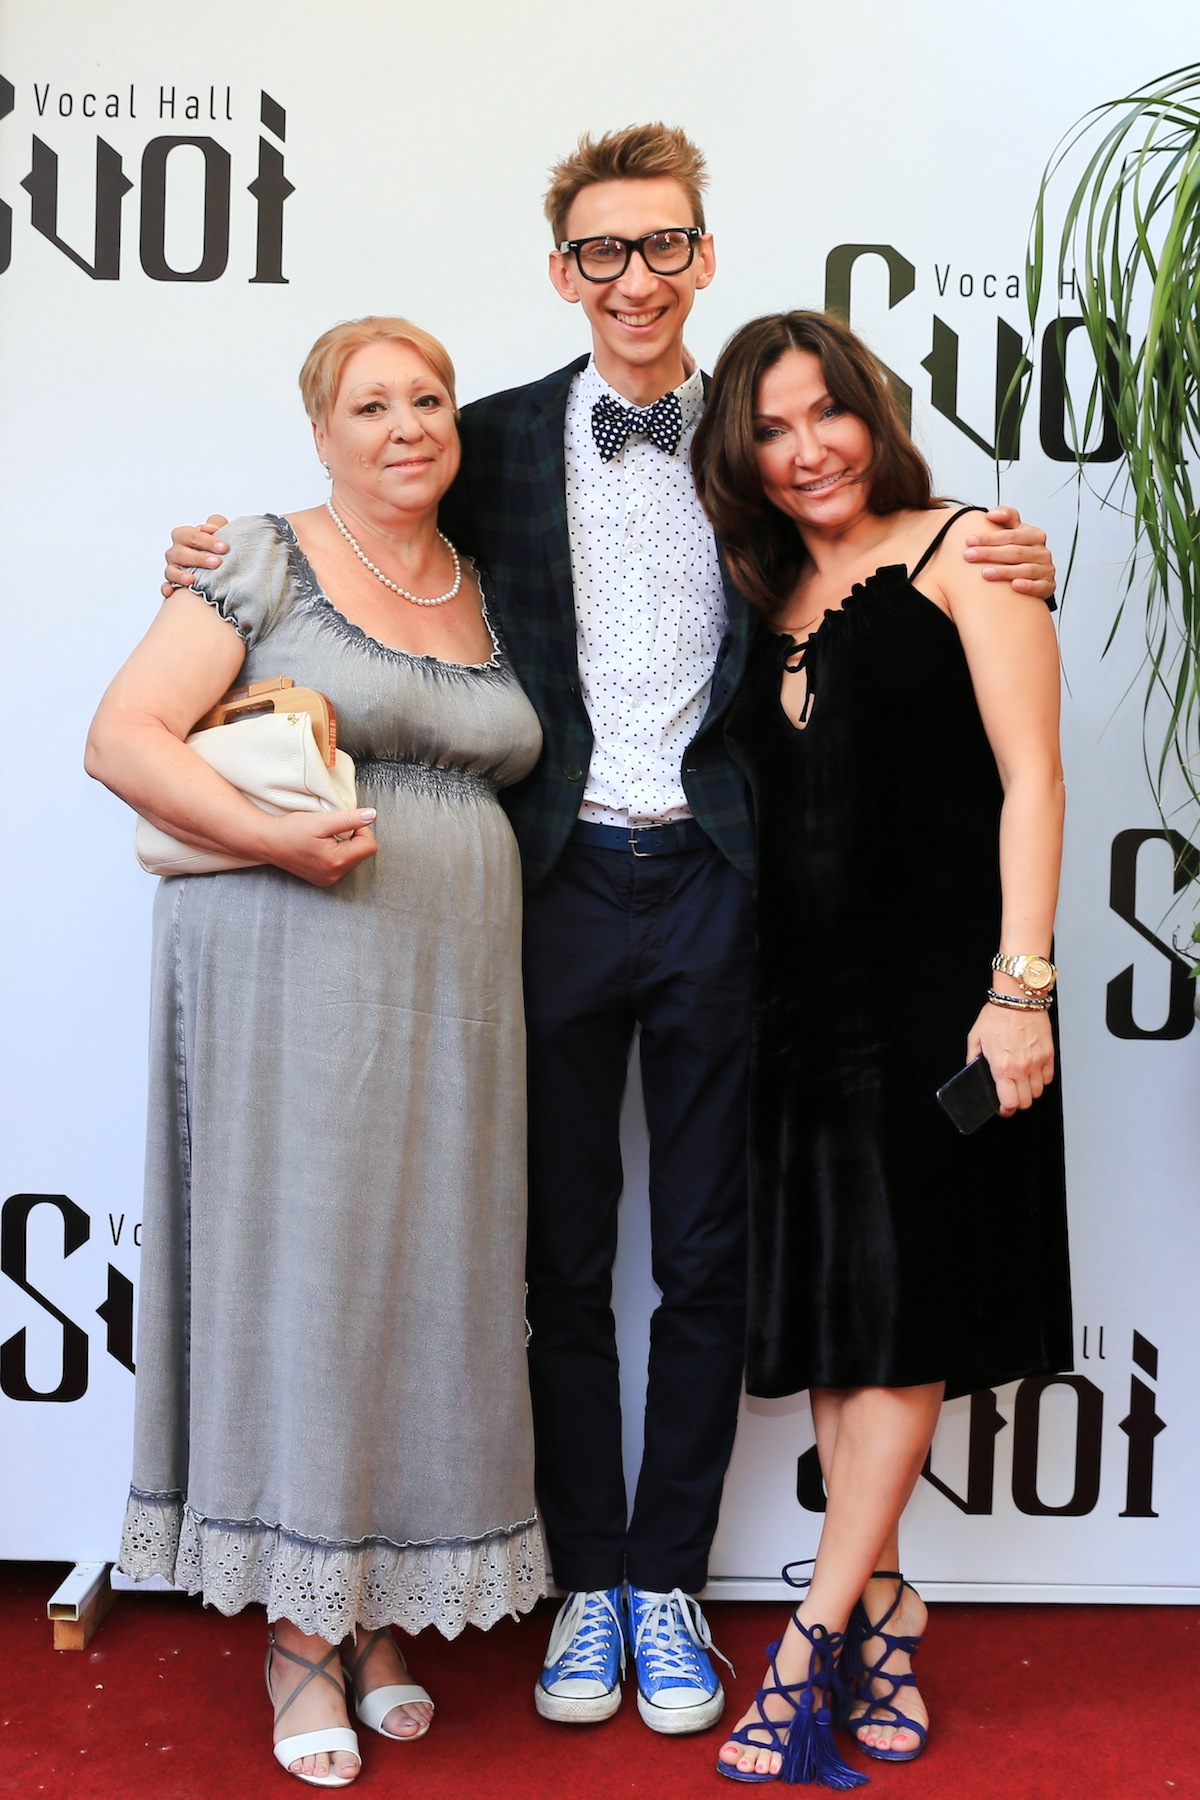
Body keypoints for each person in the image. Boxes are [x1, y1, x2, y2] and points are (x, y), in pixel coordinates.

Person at [160, 124, 1058, 1740]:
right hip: (547, 883)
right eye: (601, 251)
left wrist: (1000, 543)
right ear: (562, 271)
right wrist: (215, 560)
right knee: (557, 1256)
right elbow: (365, 522)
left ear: (703, 257)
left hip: (727, 887)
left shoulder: (764, 445)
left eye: (662, 246)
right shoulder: (492, 439)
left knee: (706, 1257)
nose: (634, 278)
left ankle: (665, 1585)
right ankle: (584, 1580)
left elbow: (878, 552)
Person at [86, 316, 545, 1788]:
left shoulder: (491, 581)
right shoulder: (260, 556)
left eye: (429, 399)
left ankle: (381, 1604)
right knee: (309, 1276)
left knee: (431, 1282)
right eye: (371, 404)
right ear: (321, 432)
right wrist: (276, 836)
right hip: (291, 962)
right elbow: (123, 737)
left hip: (458, 985)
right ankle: (299, 1631)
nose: (406, 425)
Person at [690, 310, 1072, 1785]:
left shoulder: (971, 551)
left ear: (873, 410)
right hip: (799, 1008)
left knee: (905, 1322)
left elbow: (1033, 779)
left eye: (825, 414)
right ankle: (890, 1607)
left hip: (943, 1001)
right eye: (771, 431)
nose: (807, 451)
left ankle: (808, 1647)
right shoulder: (763, 589)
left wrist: (1019, 989)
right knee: (851, 1327)